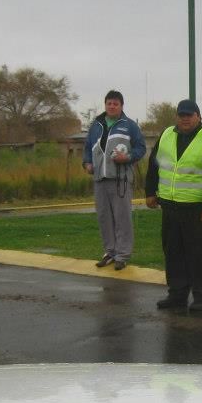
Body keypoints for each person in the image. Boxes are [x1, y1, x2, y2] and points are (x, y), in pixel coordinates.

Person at [145, 99, 202, 312]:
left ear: (198, 117)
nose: (185, 118)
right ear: (177, 117)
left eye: (189, 115)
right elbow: (154, 166)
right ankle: (177, 295)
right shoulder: (166, 136)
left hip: (197, 211)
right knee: (173, 253)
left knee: (199, 255)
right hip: (170, 207)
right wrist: (150, 192)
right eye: (181, 115)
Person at [82, 90, 146, 270]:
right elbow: (87, 147)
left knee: (122, 217)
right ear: (105, 105)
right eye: (109, 103)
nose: (112, 106)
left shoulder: (130, 125)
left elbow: (141, 148)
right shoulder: (96, 125)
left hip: (120, 180)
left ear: (121, 106)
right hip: (99, 179)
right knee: (104, 217)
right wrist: (86, 162)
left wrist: (128, 158)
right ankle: (109, 252)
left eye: (115, 104)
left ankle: (122, 255)